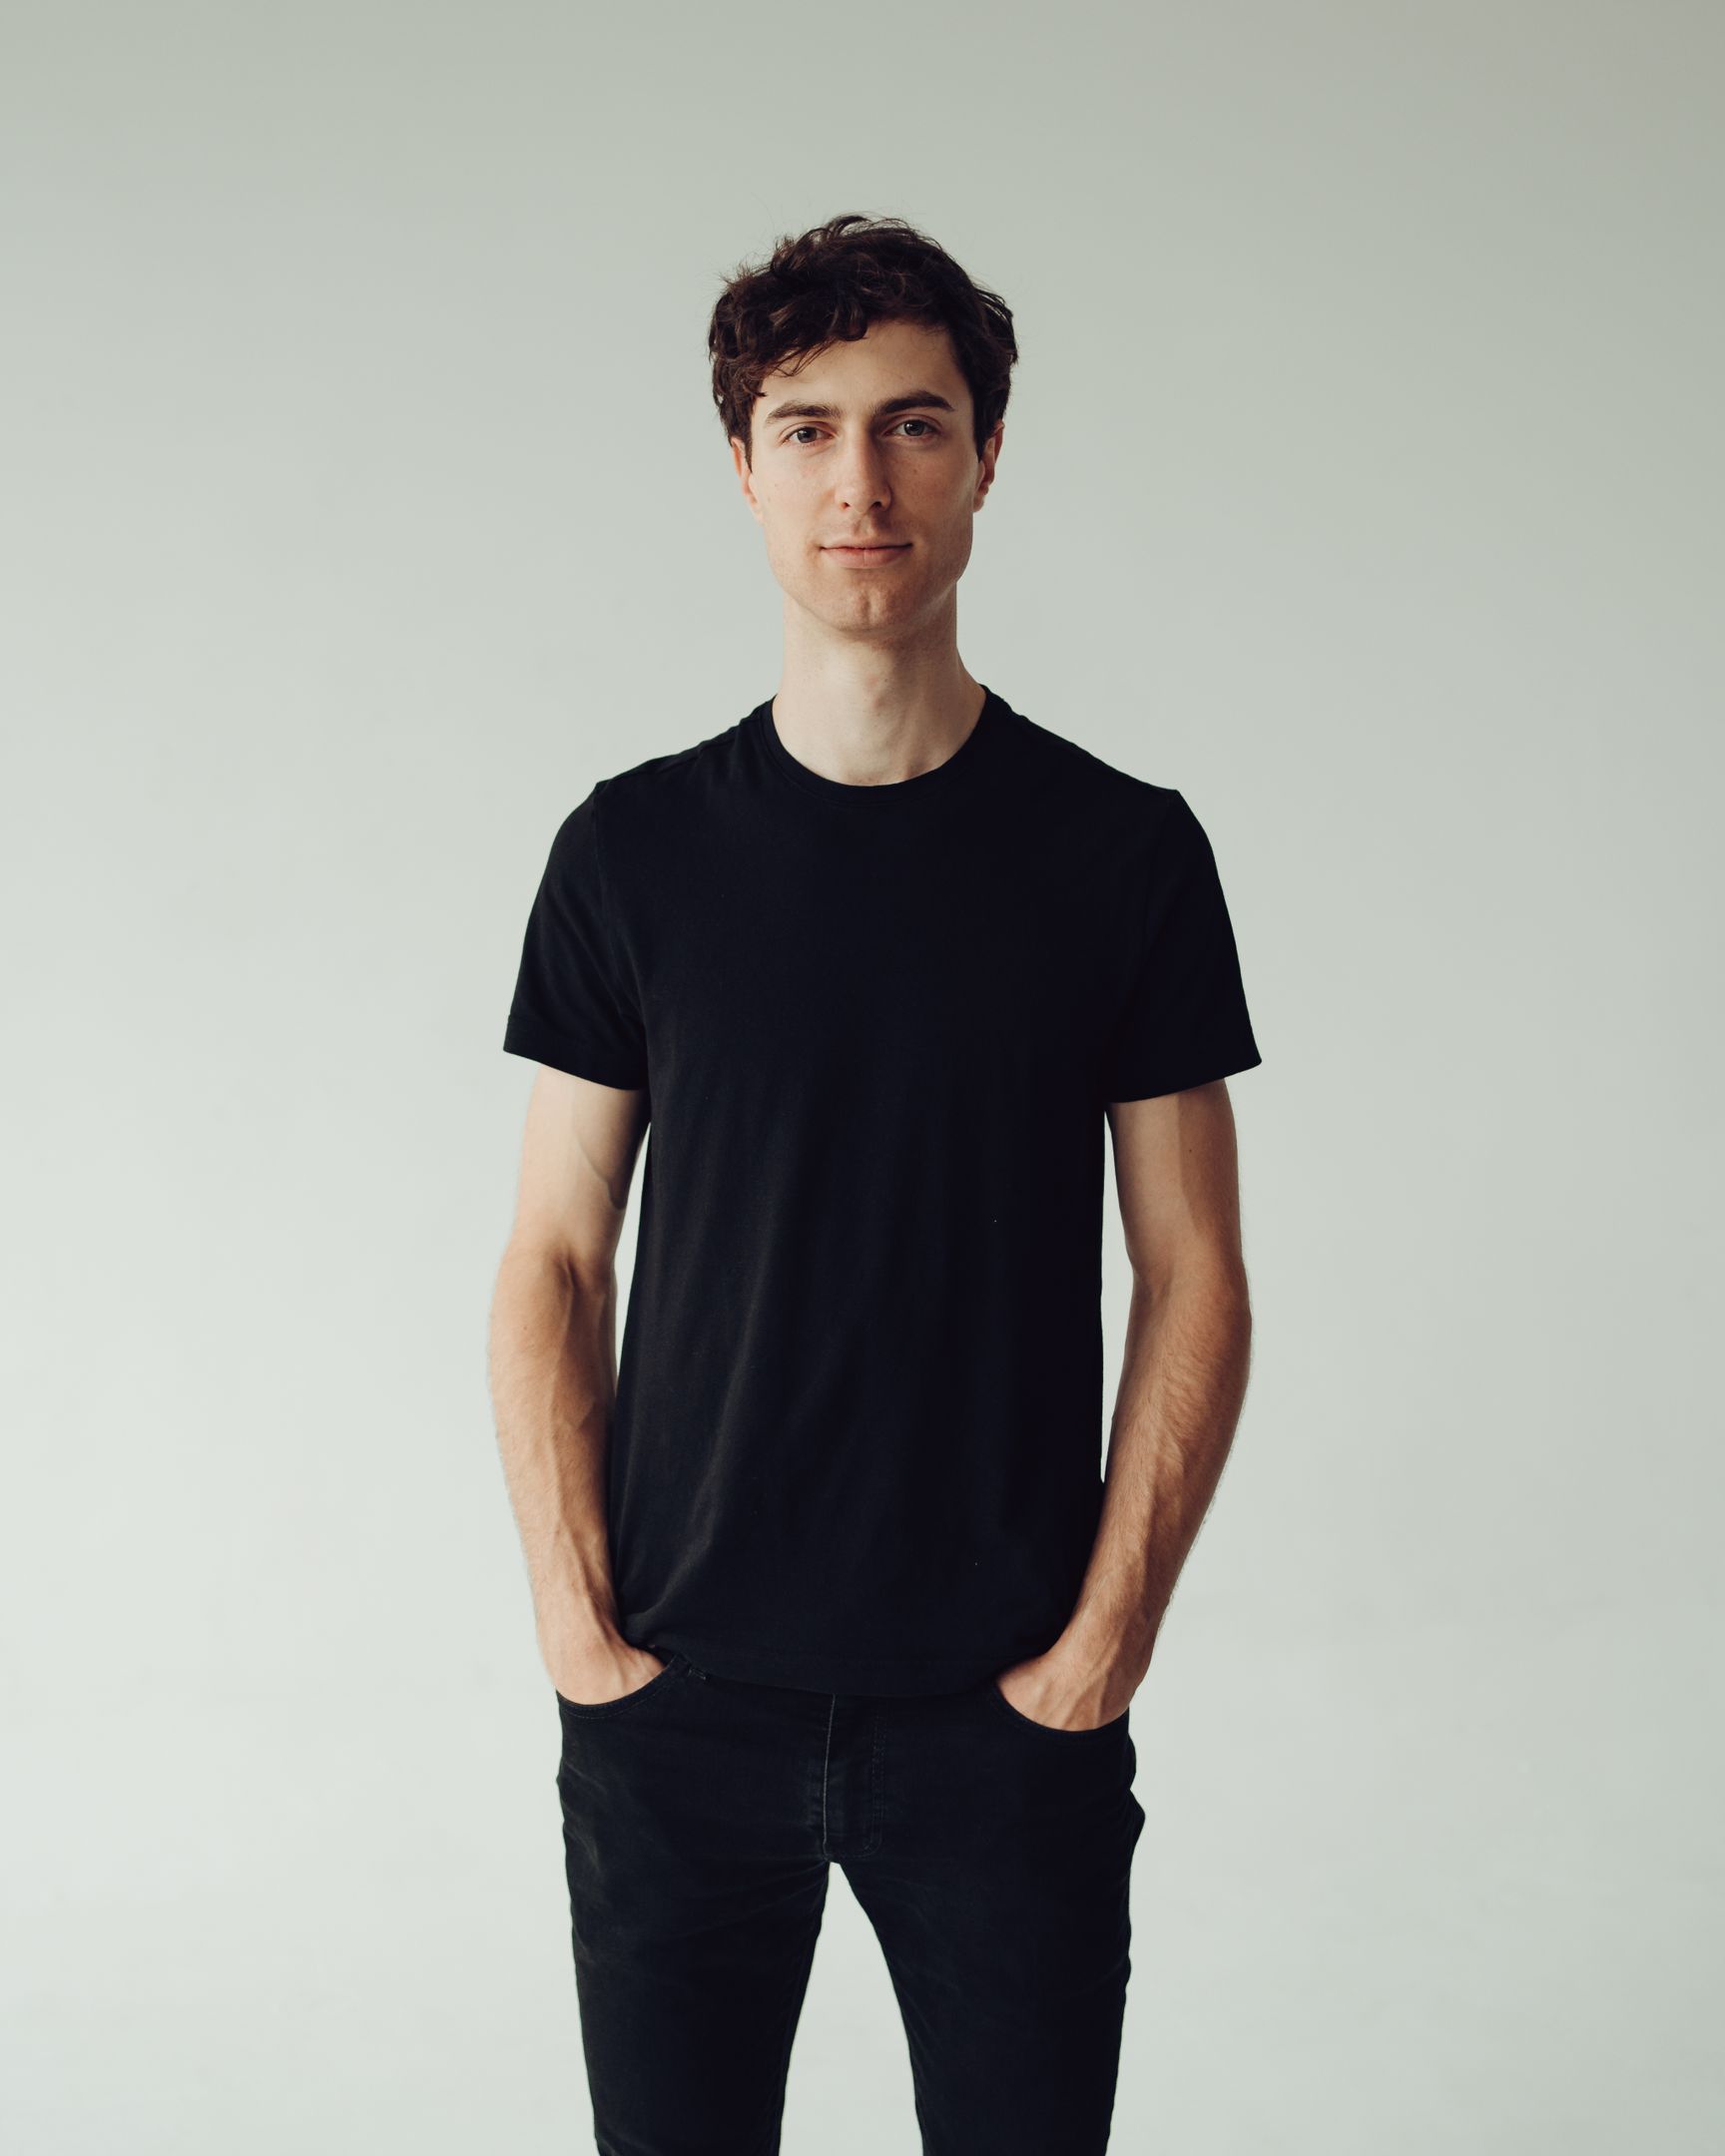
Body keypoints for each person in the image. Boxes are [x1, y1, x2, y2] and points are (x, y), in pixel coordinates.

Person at [488, 212, 1263, 2155]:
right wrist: (581, 1633)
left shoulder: (1124, 855)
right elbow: (555, 1257)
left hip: (1007, 1710)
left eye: (914, 424)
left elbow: (1194, 1270)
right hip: (680, 1702)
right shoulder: (630, 854)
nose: (862, 482)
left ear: (987, 455)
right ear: (743, 467)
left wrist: (1102, 1649)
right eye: (808, 428)